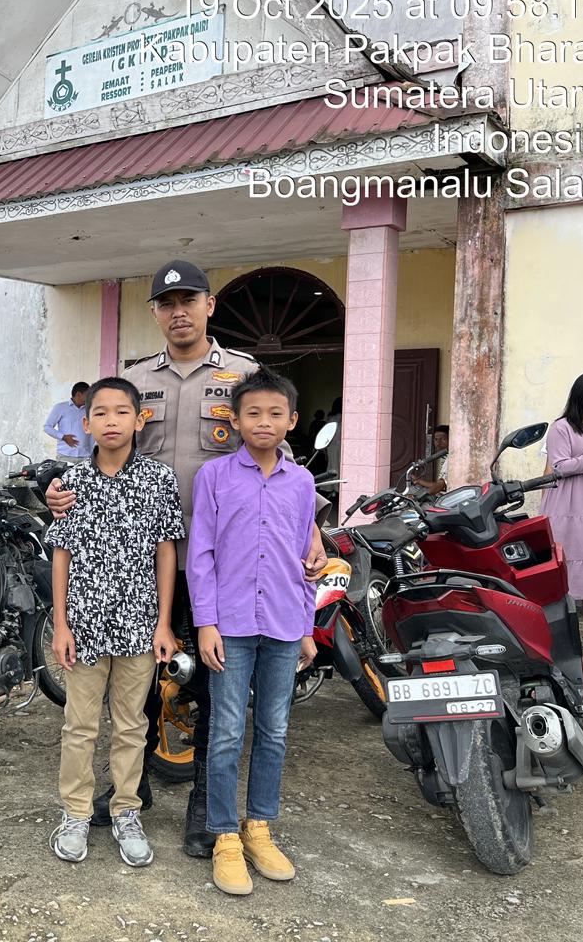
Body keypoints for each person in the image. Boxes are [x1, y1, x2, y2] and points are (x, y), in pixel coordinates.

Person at [45, 259, 327, 858]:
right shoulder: (133, 381)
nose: (179, 312)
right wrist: (59, 495)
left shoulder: (244, 374)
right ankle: (134, 790)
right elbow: (103, 457)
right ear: (155, 312)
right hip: (143, 557)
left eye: (189, 300)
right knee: (142, 678)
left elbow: (279, 458)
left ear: (209, 306)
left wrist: (311, 530)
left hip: (223, 559)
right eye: (167, 303)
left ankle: (205, 802)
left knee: (210, 684)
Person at [187, 368, 317, 896]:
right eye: (253, 413)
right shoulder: (214, 477)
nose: (264, 422)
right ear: (235, 420)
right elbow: (201, 554)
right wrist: (206, 623)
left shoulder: (302, 483)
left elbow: (306, 560)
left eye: (275, 413)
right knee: (225, 732)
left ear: (292, 420)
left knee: (274, 730)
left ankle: (258, 826)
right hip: (231, 624)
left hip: (284, 623)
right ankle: (224, 835)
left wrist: (306, 628)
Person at [44, 377, 183, 867]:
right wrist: (61, 625)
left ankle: (126, 810)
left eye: (122, 411)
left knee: (131, 726)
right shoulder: (70, 483)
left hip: (140, 628)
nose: (111, 421)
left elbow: (166, 553)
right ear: (86, 424)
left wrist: (164, 623)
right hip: (83, 627)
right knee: (79, 725)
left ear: (139, 419)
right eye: (100, 413)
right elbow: (61, 555)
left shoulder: (159, 480)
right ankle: (76, 813)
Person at [539, 371, 583, 652]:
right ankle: (552, 631)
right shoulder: (562, 428)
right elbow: (559, 467)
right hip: (570, 507)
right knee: (566, 566)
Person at [44, 382, 93, 462]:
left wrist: (92, 454)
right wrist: (63, 437)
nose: (89, 398)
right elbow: (47, 427)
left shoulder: (89, 410)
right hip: (65, 456)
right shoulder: (60, 408)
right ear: (79, 394)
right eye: (87, 395)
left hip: (85, 457)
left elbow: (91, 433)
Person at [412, 424, 449, 496]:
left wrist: (418, 497)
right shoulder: (446, 457)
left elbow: (440, 486)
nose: (438, 443)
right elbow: (439, 484)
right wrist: (418, 481)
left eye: (443, 439)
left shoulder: (451, 460)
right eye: (436, 439)